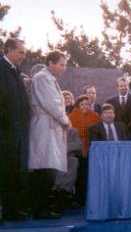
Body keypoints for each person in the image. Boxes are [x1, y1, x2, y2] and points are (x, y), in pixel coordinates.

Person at [29, 50, 72, 219]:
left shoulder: (49, 79)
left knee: (49, 167)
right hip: (44, 127)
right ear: (51, 63)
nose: (64, 68)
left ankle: (42, 206)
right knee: (44, 168)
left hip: (50, 127)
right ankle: (39, 209)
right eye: (61, 64)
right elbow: (51, 104)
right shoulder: (42, 78)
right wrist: (65, 119)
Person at [0, 38, 31, 222]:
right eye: (21, 52)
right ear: (9, 50)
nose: (23, 56)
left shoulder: (17, 73)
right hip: (4, 134)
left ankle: (12, 211)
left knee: (13, 174)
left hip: (17, 135)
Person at [68, 95, 101, 206]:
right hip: (78, 150)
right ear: (78, 105)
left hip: (92, 149)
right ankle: (80, 199)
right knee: (80, 175)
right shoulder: (72, 116)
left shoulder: (95, 116)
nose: (85, 106)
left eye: (87, 104)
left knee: (91, 175)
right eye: (82, 104)